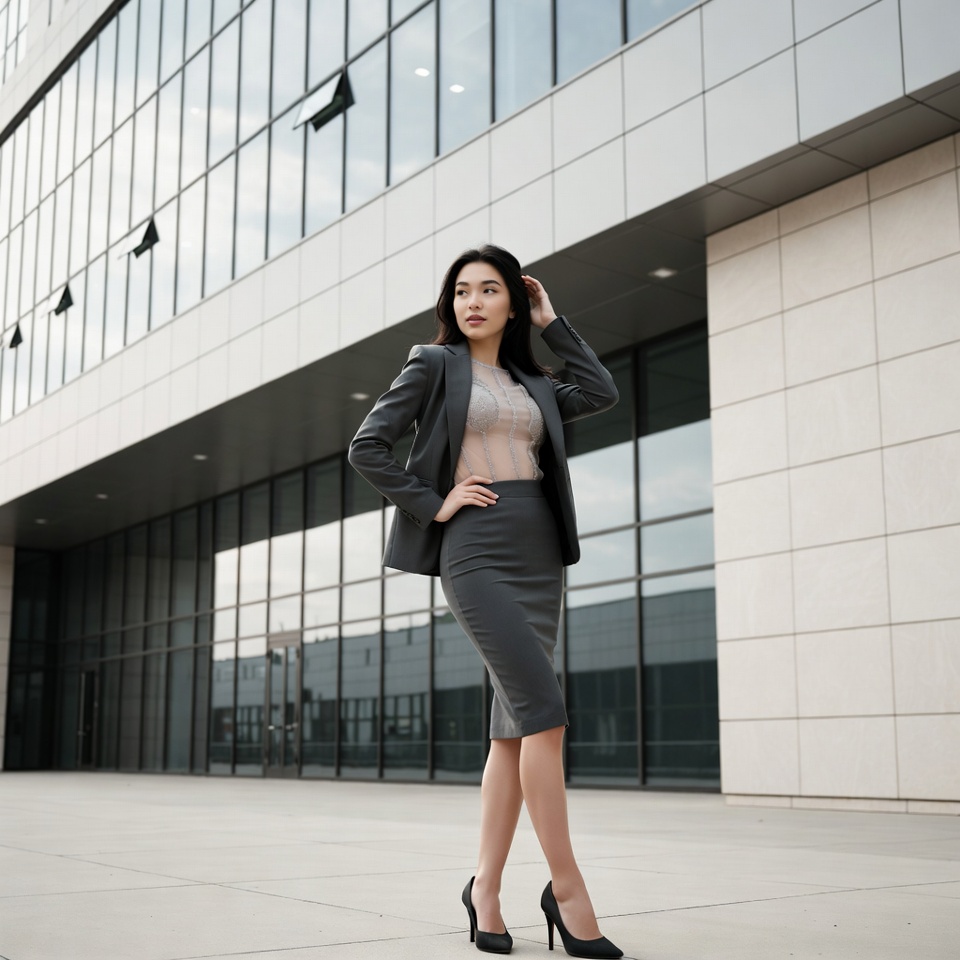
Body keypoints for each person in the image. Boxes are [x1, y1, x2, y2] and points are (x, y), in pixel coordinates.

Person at [348, 244, 623, 959]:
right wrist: (434, 504)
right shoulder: (434, 365)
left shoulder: (533, 382)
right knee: (544, 713)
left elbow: (599, 391)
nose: (473, 301)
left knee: (512, 728)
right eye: (462, 290)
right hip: (475, 549)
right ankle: (567, 889)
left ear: (512, 301)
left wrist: (553, 322)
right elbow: (367, 445)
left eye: (490, 289)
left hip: (538, 552)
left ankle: (486, 890)